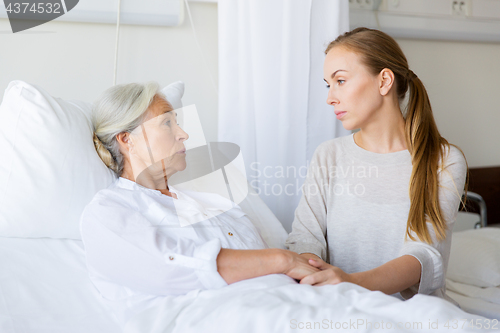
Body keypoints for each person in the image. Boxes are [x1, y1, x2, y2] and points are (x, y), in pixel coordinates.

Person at [80, 82, 319, 320]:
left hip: (301, 302)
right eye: (167, 123)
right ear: (127, 140)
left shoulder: (214, 203)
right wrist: (283, 260)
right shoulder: (109, 210)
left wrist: (309, 269)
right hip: (235, 318)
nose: (183, 134)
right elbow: (168, 268)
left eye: (178, 123)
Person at [284, 27, 468, 306]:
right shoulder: (329, 155)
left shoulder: (444, 160)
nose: (330, 97)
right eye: (328, 84)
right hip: (337, 306)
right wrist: (318, 281)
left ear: (384, 81)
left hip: (414, 315)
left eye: (341, 81)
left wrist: (350, 282)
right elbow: (305, 240)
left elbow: (423, 255)